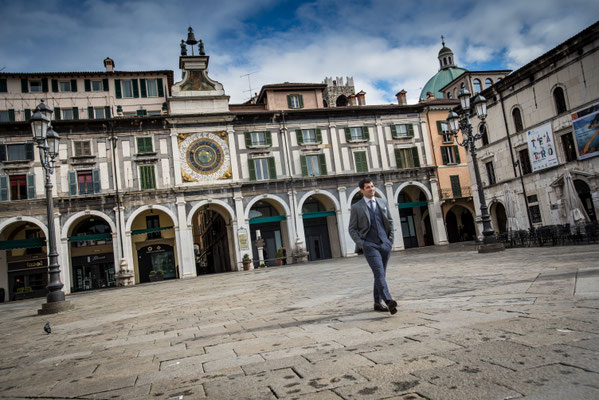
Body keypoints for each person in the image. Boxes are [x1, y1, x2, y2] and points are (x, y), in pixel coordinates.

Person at [349, 178, 397, 315]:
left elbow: (390, 221)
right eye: (368, 187)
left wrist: (390, 241)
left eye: (372, 186)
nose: (371, 189)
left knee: (380, 274)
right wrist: (362, 244)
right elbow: (352, 229)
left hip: (384, 244)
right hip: (370, 245)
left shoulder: (382, 202)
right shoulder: (356, 207)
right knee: (379, 272)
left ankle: (377, 303)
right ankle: (388, 300)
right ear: (362, 190)